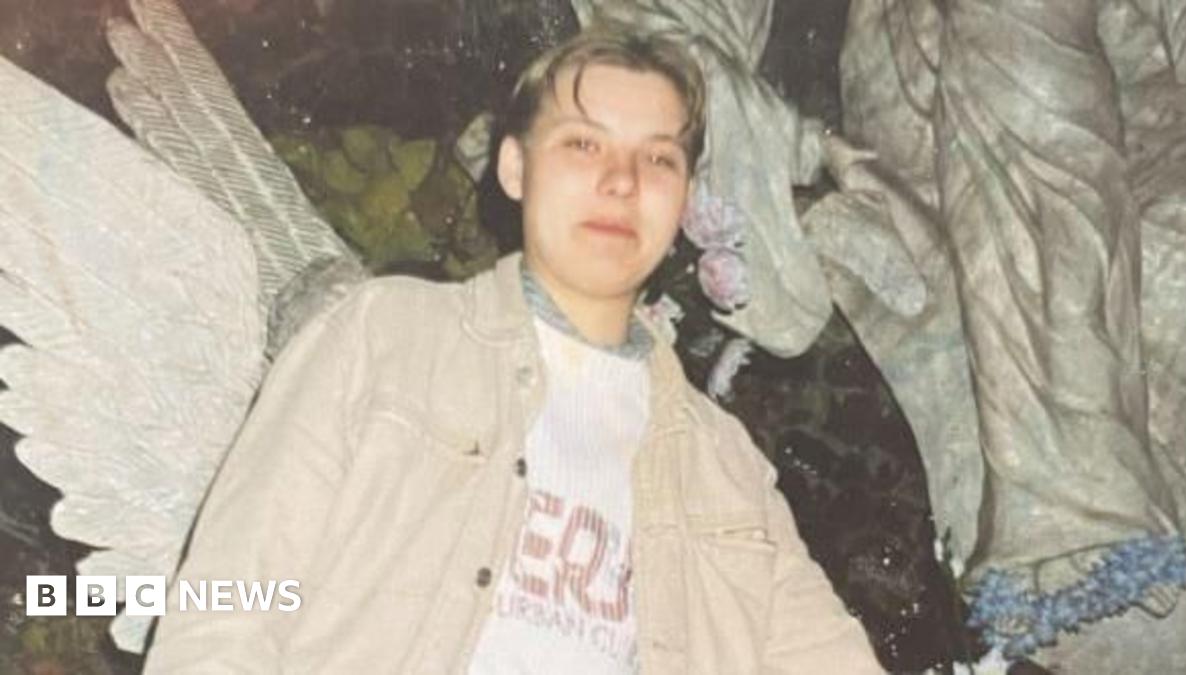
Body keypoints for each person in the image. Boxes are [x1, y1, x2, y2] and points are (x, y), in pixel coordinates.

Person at [143, 23, 881, 674]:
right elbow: (227, 604)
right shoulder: (384, 338)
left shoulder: (725, 467)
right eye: (583, 143)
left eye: (658, 159)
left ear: (684, 199)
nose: (621, 182)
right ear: (515, 169)